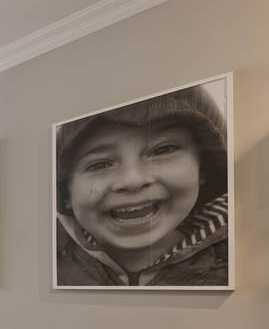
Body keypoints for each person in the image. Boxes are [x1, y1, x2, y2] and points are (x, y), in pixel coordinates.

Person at [55, 84, 229, 286]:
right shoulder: (41, 257)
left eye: (162, 151)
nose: (132, 181)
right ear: (65, 193)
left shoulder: (241, 254)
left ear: (203, 168)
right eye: (99, 165)